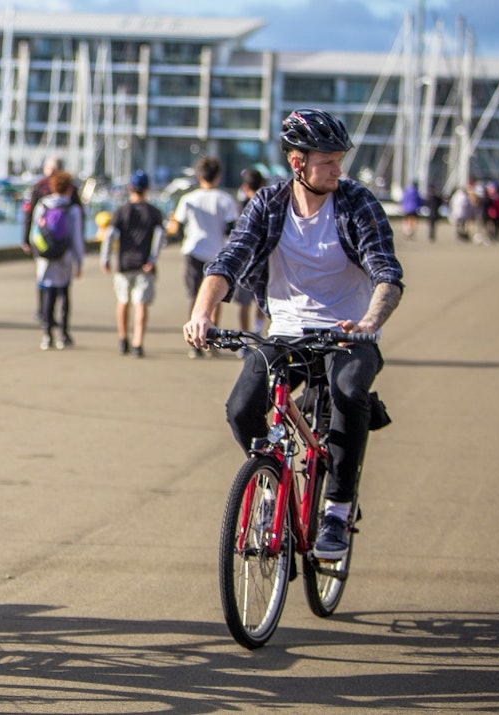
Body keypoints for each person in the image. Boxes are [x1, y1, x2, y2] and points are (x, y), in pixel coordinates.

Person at [182, 108, 404, 559]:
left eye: (340, 160)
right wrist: (201, 314)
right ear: (297, 162)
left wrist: (369, 323)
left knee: (347, 393)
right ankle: (270, 483)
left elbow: (387, 273)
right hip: (285, 332)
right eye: (328, 162)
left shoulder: (356, 202)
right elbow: (229, 262)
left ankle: (338, 510)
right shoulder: (269, 204)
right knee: (241, 409)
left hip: (348, 334)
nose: (338, 170)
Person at [168, 155, 238, 358]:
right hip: (218, 252)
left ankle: (194, 341)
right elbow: (231, 228)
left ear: (199, 176)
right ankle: (211, 339)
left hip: (194, 250)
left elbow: (178, 226)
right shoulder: (225, 199)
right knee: (215, 297)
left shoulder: (188, 199)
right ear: (218, 176)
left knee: (194, 296)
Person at [100, 170, 163, 357]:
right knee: (141, 304)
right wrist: (152, 259)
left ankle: (123, 338)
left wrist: (105, 259)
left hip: (124, 263)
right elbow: (159, 238)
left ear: (130, 188)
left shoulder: (121, 211)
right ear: (147, 188)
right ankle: (138, 342)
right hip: (145, 265)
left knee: (123, 301)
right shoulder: (154, 213)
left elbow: (110, 236)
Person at [30, 171, 86, 350]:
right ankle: (63, 334)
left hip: (45, 259)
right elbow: (76, 239)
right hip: (64, 258)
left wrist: (38, 254)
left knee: (48, 295)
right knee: (64, 295)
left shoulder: (42, 205)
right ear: (69, 189)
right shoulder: (73, 209)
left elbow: (34, 233)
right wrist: (79, 262)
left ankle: (47, 335)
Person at [233, 168, 266, 338]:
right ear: (263, 184)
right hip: (265, 259)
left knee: (243, 302)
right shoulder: (269, 205)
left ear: (245, 187)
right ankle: (258, 329)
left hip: (245, 260)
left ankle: (245, 338)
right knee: (262, 299)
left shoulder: (241, 207)